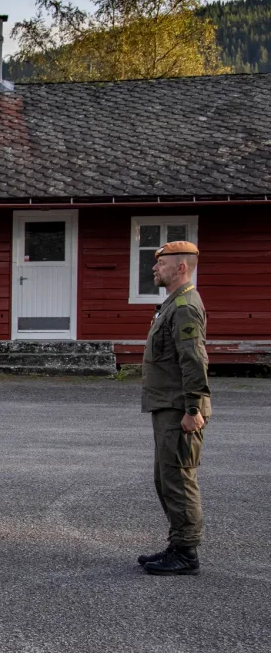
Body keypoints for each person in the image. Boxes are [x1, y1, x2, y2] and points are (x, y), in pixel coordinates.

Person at [137, 241, 211, 576]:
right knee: (166, 479)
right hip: (168, 405)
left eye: (161, 263)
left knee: (179, 479)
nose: (154, 268)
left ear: (180, 267)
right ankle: (177, 543)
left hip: (180, 407)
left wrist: (192, 407)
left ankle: (186, 553)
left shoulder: (183, 307)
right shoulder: (172, 304)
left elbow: (193, 360)